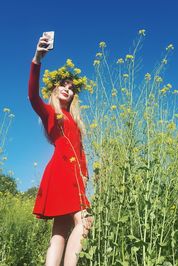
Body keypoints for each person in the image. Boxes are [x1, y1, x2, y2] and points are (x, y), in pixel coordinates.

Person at [28, 34, 94, 266]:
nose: (67, 89)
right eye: (63, 86)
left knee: (60, 231)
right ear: (54, 90)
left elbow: (80, 149)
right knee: (85, 221)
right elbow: (33, 96)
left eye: (71, 88)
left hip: (75, 176)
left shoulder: (74, 121)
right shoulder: (49, 113)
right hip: (60, 173)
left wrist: (85, 173)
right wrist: (37, 59)